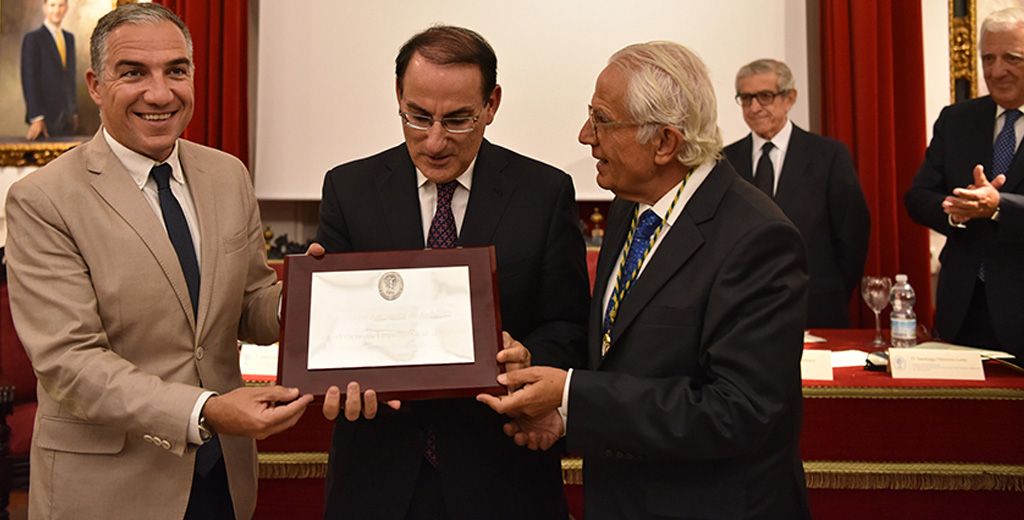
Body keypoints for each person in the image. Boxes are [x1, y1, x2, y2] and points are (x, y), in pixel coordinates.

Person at [478, 41, 811, 519]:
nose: (584, 135)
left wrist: (573, 396)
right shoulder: (630, 209)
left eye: (603, 120)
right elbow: (625, 359)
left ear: (665, 143)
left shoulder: (757, 237)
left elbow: (737, 411)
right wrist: (564, 414)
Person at [5, 4, 313, 519]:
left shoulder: (226, 175)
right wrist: (207, 410)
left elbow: (251, 304)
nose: (160, 92)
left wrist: (311, 299)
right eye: (133, 73)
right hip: (109, 489)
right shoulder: (44, 199)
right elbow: (71, 364)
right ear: (96, 85)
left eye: (176, 70)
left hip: (222, 480)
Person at [314, 25, 590, 519]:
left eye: (458, 120)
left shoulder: (543, 193)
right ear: (397, 97)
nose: (435, 141)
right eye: (417, 117)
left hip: (503, 471)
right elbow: (335, 335)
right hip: (377, 474)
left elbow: (570, 326)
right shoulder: (349, 190)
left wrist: (530, 357)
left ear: (492, 104)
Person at [906, 7, 1024, 358]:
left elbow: (998, 205)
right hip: (963, 310)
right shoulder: (957, 119)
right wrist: (958, 211)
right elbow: (918, 196)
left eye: (1011, 58)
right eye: (988, 58)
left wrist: (999, 206)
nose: (996, 70)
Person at [723, 58, 870, 328]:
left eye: (764, 97)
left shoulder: (828, 155)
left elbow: (852, 234)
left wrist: (833, 289)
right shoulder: (724, 161)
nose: (754, 107)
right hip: (742, 311)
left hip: (816, 307)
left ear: (789, 98)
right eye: (746, 98)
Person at [21, 0, 78, 140]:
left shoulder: (69, 38)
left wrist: (74, 111)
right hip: (44, 118)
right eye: (52, 5)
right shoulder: (33, 39)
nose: (57, 10)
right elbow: (29, 79)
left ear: (66, 8)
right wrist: (37, 116)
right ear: (45, 8)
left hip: (67, 118)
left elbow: (70, 78)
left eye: (61, 5)